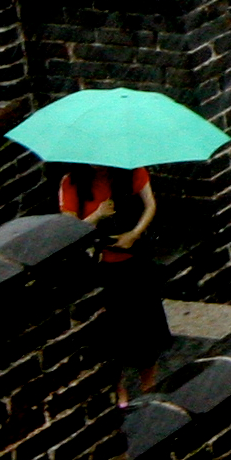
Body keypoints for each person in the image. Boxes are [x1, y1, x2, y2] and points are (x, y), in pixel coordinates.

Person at [59, 164, 170, 406]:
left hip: (134, 261)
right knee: (112, 330)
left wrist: (134, 234)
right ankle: (119, 390)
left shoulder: (132, 172)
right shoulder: (71, 184)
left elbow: (149, 205)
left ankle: (148, 381)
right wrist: (98, 215)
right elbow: (69, 230)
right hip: (100, 267)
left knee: (146, 323)